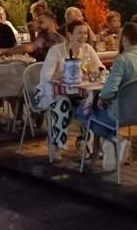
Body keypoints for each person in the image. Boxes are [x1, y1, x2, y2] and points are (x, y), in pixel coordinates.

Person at [79, 22, 137, 171]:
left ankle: (113, 140)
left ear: (125, 39)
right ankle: (111, 142)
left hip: (120, 113)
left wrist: (102, 98)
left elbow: (109, 91)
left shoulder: (123, 60)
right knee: (96, 113)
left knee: (83, 111)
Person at [40, 20, 103, 152]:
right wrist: (66, 71)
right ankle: (55, 144)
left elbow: (99, 68)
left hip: (79, 92)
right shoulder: (56, 51)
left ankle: (88, 143)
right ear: (69, 34)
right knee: (62, 103)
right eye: (79, 33)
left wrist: (95, 72)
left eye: (85, 33)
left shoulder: (87, 49)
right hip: (54, 92)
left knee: (92, 103)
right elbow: (46, 76)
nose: (83, 37)